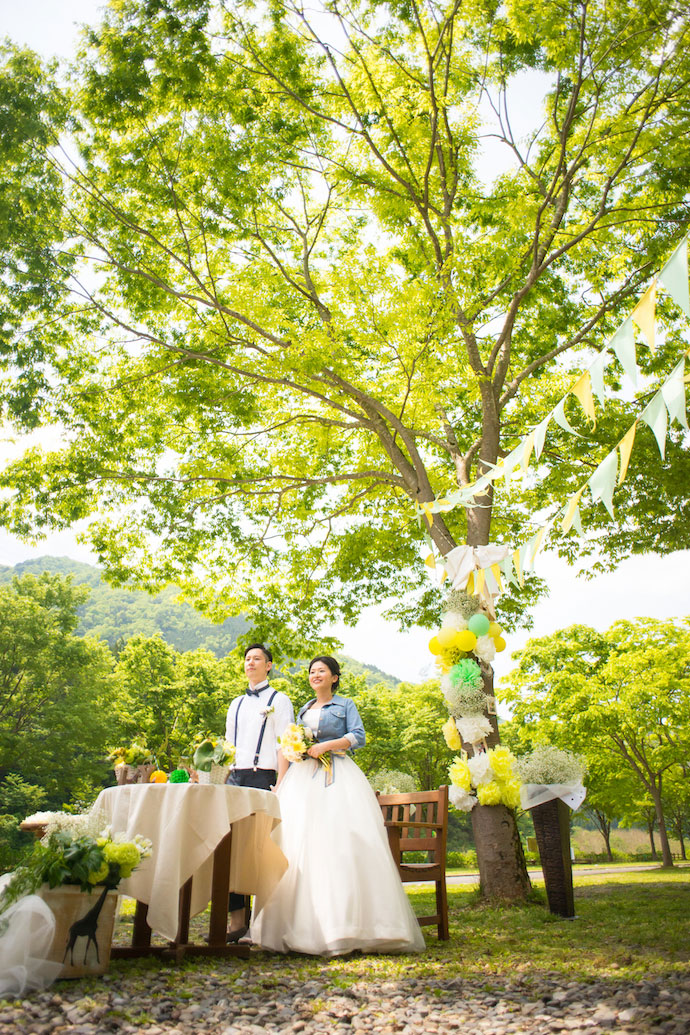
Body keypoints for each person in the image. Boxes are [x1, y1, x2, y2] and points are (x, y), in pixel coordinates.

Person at [250, 655, 426, 956]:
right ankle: (298, 926)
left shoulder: (344, 705)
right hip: (305, 778)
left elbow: (358, 737)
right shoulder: (304, 708)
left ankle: (351, 926)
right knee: (300, 843)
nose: (315, 675)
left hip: (338, 775)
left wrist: (326, 746)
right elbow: (291, 742)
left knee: (341, 842)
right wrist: (299, 751)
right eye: (311, 671)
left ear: (334, 677)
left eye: (321, 671)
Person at [224, 642, 294, 941]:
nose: (250, 663)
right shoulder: (236, 703)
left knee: (260, 851)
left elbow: (285, 745)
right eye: (247, 659)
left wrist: (282, 783)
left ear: (269, 665)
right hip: (233, 780)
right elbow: (228, 746)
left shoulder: (281, 700)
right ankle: (235, 923)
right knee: (229, 849)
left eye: (257, 659)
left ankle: (263, 921)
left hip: (263, 778)